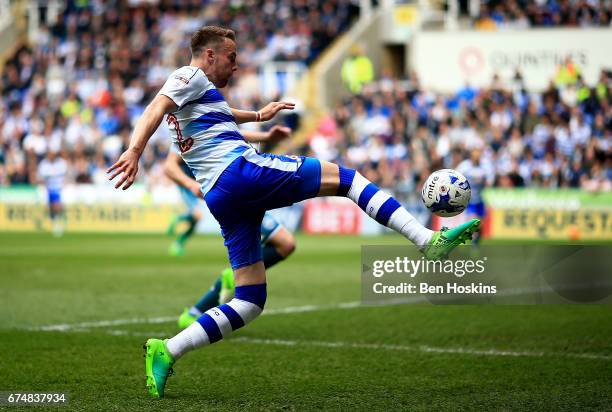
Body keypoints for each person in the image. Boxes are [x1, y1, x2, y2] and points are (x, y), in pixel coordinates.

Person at [107, 26, 480, 398]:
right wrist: (135, 151)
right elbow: (155, 107)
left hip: (222, 196)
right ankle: (426, 240)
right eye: (231, 57)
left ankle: (167, 349)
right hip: (240, 174)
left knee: (249, 301)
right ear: (209, 55)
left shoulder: (198, 92)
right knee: (347, 179)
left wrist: (257, 116)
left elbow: (219, 115)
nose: (236, 66)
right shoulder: (186, 76)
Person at [163, 126, 297, 328]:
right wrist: (191, 185)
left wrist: (266, 136)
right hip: (233, 193)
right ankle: (208, 295)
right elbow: (169, 166)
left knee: (285, 244)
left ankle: (196, 311)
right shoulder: (189, 124)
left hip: (245, 188)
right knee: (284, 244)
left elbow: (236, 132)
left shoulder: (215, 114)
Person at [38, 150, 67, 237]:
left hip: (58, 188)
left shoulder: (61, 163)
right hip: (47, 188)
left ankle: (58, 223)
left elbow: (62, 174)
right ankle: (52, 222)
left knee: (57, 205)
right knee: (50, 207)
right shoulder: (44, 163)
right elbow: (42, 175)